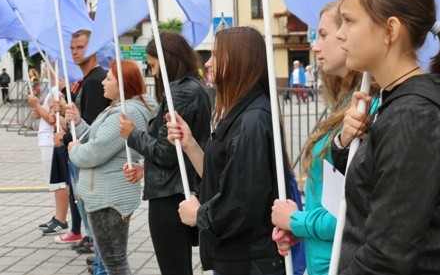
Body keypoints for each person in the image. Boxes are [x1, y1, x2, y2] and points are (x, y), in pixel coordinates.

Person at [334, 0, 440, 274]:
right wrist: (345, 143)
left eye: (348, 21)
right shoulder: (400, 104)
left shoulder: (414, 117)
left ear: (390, 30)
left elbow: (386, 255)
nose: (339, 34)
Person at [167, 27, 289, 275]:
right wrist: (189, 143)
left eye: (215, 55)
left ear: (238, 61)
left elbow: (242, 202)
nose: (208, 63)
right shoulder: (243, 113)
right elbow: (224, 177)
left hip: (249, 259)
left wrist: (199, 215)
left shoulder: (252, 121)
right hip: (238, 255)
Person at [270, 1, 378, 275]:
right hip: (323, 264)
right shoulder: (346, 104)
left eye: (323, 35)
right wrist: (301, 230)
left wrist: (297, 221)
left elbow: (354, 215)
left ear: (348, 36)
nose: (315, 47)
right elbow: (330, 201)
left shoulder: (370, 109)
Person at [119, 31, 211, 275]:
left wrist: (132, 135)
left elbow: (167, 153)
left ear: (167, 59)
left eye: (154, 65)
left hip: (171, 194)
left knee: (174, 268)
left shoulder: (181, 92)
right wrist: (144, 168)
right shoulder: (193, 87)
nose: (154, 72)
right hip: (179, 187)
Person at [66, 60, 157, 275]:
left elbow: (95, 152)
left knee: (114, 264)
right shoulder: (119, 108)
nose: (103, 83)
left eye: (109, 79)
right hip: (105, 195)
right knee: (111, 262)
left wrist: (73, 150)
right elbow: (98, 138)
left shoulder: (124, 113)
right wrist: (79, 124)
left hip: (109, 198)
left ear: (122, 84)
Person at [49, 29, 111, 275]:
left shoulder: (96, 81)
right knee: (91, 222)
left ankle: (102, 267)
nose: (75, 52)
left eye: (80, 48)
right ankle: (99, 263)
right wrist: (65, 110)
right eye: (72, 48)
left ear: (93, 49)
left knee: (92, 220)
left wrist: (63, 137)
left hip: (87, 162)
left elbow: (90, 129)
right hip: (83, 158)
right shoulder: (90, 80)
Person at [28, 73, 77, 243]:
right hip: (47, 140)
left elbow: (52, 118)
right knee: (55, 182)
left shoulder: (59, 91)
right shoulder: (54, 89)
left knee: (59, 182)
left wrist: (36, 105)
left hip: (52, 140)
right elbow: (47, 115)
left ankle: (61, 219)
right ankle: (58, 216)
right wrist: (38, 110)